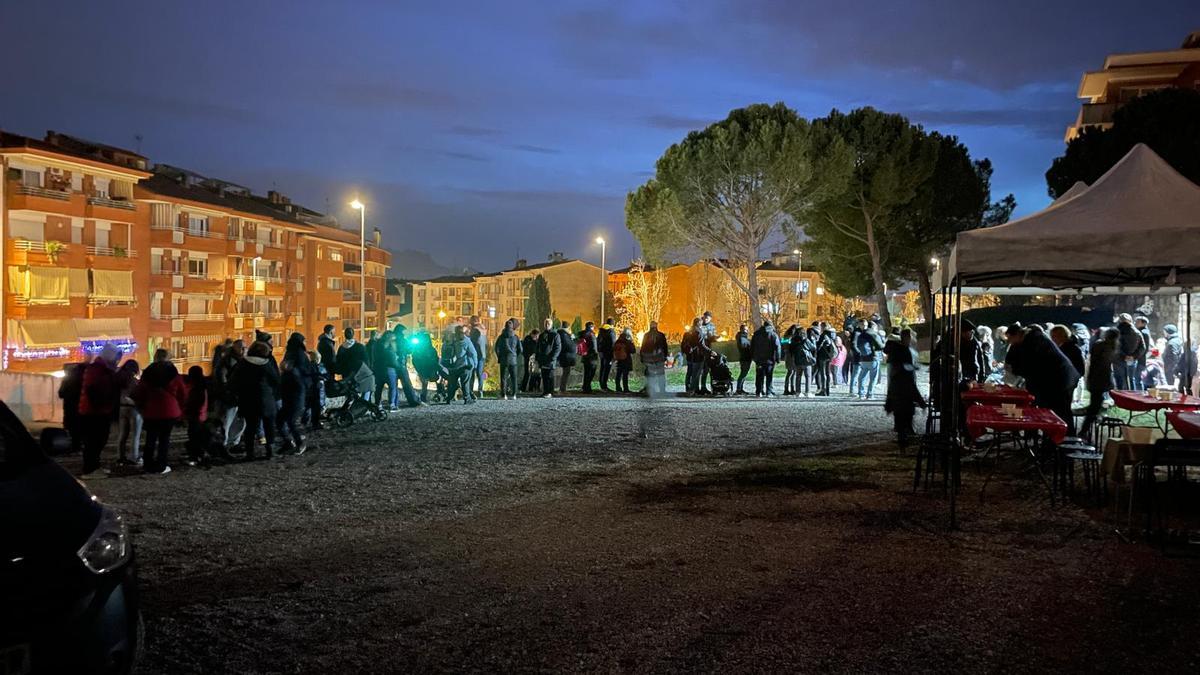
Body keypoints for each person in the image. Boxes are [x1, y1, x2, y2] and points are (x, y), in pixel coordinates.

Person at [1005, 325, 1080, 435]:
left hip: (1059, 380)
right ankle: (1053, 441)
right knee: (1054, 412)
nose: (1010, 342)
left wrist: (1016, 371)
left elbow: (1031, 366)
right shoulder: (1030, 340)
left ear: (1016, 335)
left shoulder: (1033, 341)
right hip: (1056, 379)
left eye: (1010, 339)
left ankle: (1065, 442)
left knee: (1058, 413)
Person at [134, 349, 184, 475]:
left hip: (151, 411)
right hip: (170, 411)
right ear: (168, 358)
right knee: (164, 439)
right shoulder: (173, 372)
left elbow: (139, 392)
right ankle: (162, 465)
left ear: (155, 357)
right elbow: (182, 392)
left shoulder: (148, 373)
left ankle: (148, 464)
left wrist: (142, 405)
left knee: (150, 439)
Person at [78, 346, 123, 478]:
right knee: (94, 441)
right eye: (116, 357)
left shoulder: (101, 368)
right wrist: (102, 404)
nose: (117, 361)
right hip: (94, 412)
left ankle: (94, 467)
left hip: (97, 410)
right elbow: (93, 390)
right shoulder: (98, 369)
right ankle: (90, 469)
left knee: (98, 441)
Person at [233, 341, 280, 460]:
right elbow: (276, 380)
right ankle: (270, 451)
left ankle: (250, 453)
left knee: (250, 427)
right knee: (269, 426)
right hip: (266, 400)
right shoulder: (266, 364)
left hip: (248, 400)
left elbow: (233, 382)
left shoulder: (243, 364)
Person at [883, 329, 925, 448]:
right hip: (903, 386)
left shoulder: (901, 350)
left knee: (902, 413)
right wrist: (912, 368)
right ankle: (904, 437)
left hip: (900, 387)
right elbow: (903, 369)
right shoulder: (902, 351)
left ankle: (904, 435)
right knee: (903, 413)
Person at [1080, 327, 1119, 442]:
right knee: (1095, 405)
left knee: (1096, 403)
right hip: (1100, 379)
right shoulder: (1109, 347)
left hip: (1096, 378)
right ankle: (1084, 430)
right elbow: (1104, 366)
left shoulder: (1100, 345)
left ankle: (1087, 427)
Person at [278, 333, 311, 454]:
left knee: (291, 420)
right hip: (290, 391)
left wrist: (290, 371)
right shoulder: (295, 354)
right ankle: (288, 442)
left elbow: (303, 373)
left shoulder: (297, 355)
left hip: (296, 392)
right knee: (281, 420)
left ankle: (299, 443)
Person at [115, 360, 143, 467]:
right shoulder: (133, 381)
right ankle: (134, 456)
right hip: (133, 409)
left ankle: (120, 457)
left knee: (122, 434)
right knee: (135, 435)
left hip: (122, 408)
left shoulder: (119, 379)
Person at [58, 360, 87, 457]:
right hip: (77, 408)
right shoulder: (80, 380)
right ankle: (77, 447)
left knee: (71, 428)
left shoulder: (66, 381)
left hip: (69, 408)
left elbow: (61, 394)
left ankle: (73, 447)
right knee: (77, 429)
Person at [441, 324, 477, 404]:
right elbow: (473, 353)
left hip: (452, 365)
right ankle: (467, 399)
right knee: (465, 383)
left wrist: (444, 364)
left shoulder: (449, 341)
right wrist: (475, 365)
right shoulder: (466, 340)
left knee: (452, 383)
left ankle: (449, 399)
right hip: (465, 365)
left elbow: (443, 352)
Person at [182, 365, 208, 465]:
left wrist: (186, 413)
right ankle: (198, 456)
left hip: (195, 416)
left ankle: (195, 457)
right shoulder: (202, 386)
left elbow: (193, 404)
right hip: (201, 416)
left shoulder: (196, 389)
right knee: (197, 437)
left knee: (194, 437)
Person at [392, 324, 422, 407]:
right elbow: (409, 351)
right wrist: (412, 346)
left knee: (393, 385)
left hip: (393, 364)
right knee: (406, 384)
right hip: (401, 364)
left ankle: (394, 402)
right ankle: (412, 400)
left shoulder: (392, 339)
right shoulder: (402, 340)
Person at [854, 321, 885, 400]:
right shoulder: (873, 334)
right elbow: (881, 346)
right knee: (873, 378)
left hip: (863, 358)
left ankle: (861, 394)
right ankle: (870, 395)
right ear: (873, 327)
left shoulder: (861, 335)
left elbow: (857, 345)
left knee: (862, 377)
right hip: (873, 358)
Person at [750, 320, 782, 397]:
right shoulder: (773, 335)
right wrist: (778, 358)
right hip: (770, 359)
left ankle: (759, 391)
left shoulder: (756, 334)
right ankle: (769, 391)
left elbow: (752, 346)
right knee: (769, 376)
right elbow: (777, 347)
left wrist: (753, 357)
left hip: (759, 359)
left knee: (759, 376)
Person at [494, 318, 522, 400]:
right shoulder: (516, 337)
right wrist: (515, 356)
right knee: (514, 378)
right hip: (513, 360)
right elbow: (520, 349)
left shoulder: (501, 337)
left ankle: (504, 395)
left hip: (504, 360)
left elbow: (497, 348)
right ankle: (514, 395)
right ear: (512, 327)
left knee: (503, 378)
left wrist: (499, 356)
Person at [411, 331, 443, 403]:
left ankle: (439, 393)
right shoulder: (419, 350)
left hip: (430, 368)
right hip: (423, 368)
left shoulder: (430, 349)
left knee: (435, 381)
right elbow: (415, 359)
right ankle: (424, 396)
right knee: (425, 383)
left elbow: (435, 358)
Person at [1115, 314, 1146, 391]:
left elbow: (1115, 346)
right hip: (1132, 360)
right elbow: (1143, 347)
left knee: (1120, 379)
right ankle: (1132, 397)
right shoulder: (1137, 332)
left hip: (1119, 360)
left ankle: (1120, 397)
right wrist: (1133, 356)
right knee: (1131, 379)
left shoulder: (1117, 332)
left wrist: (1124, 356)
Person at [639, 321, 669, 398]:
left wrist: (642, 357)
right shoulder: (661, 335)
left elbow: (643, 347)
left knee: (649, 374)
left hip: (649, 358)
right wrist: (665, 356)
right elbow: (665, 347)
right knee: (661, 374)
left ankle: (649, 389)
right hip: (659, 358)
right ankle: (662, 390)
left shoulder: (646, 335)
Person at [372, 331, 400, 410]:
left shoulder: (377, 345)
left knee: (379, 388)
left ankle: (378, 404)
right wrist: (398, 366)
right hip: (389, 369)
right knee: (392, 387)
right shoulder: (390, 347)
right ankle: (392, 405)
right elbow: (392, 360)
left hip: (378, 369)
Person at [536, 319, 561, 398]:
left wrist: (553, 357)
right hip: (543, 359)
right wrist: (538, 357)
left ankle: (550, 392)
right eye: (546, 323)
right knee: (544, 376)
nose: (547, 325)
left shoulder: (555, 335)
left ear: (551, 324)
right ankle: (545, 391)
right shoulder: (542, 335)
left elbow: (558, 347)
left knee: (550, 376)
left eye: (548, 323)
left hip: (550, 359)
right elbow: (538, 347)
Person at [681, 318, 704, 395]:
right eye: (701, 322)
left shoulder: (687, 332)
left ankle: (688, 388)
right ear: (698, 323)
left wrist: (686, 352)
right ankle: (694, 389)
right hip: (696, 356)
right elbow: (700, 344)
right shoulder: (698, 332)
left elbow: (683, 344)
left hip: (689, 356)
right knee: (696, 373)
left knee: (689, 372)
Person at [306, 349, 328, 429]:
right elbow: (317, 375)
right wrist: (322, 377)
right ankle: (315, 423)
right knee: (316, 406)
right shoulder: (315, 366)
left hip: (311, 389)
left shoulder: (309, 365)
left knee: (310, 405)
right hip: (316, 388)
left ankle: (307, 420)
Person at [793, 327, 817, 397]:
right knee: (808, 376)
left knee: (798, 376)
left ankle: (798, 392)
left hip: (797, 360)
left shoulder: (794, 340)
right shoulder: (805, 340)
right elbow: (813, 347)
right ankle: (807, 391)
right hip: (806, 360)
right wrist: (813, 340)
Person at [468, 315, 488, 400]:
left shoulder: (475, 331)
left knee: (472, 373)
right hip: (482, 354)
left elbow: (472, 343)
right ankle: (480, 392)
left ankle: (470, 392)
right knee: (479, 374)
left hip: (475, 354)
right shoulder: (483, 330)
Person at [814, 324, 837, 397]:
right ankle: (827, 390)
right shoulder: (832, 335)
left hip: (822, 356)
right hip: (829, 356)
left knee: (823, 373)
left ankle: (823, 390)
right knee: (827, 373)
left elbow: (819, 346)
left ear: (823, 327)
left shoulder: (824, 335)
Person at [698, 311, 717, 394]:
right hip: (701, 350)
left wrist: (714, 337)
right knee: (699, 369)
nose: (706, 319)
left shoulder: (712, 326)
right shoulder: (700, 324)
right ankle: (696, 387)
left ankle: (704, 386)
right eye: (705, 317)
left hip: (708, 349)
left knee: (707, 369)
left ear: (710, 318)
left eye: (708, 318)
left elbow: (713, 335)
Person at [578, 321, 599, 393]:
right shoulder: (591, 335)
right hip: (591, 357)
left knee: (586, 372)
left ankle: (585, 386)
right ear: (591, 327)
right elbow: (594, 346)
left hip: (585, 356)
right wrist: (596, 354)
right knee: (591, 373)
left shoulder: (582, 334)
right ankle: (588, 388)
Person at [556, 320, 577, 394]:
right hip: (566, 357)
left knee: (566, 373)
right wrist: (573, 339)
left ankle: (562, 389)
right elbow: (569, 345)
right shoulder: (564, 335)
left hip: (566, 356)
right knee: (566, 373)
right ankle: (562, 389)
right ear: (568, 327)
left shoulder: (563, 334)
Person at [613, 328, 635, 393]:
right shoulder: (627, 341)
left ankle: (618, 388)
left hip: (619, 359)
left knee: (618, 374)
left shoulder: (617, 341)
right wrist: (632, 342)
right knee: (625, 375)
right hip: (626, 359)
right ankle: (625, 388)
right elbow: (633, 350)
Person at [597, 317, 616, 392]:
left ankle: (601, 384)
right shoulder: (611, 331)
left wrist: (599, 351)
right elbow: (613, 343)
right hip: (608, 353)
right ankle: (604, 386)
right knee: (607, 369)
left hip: (602, 353)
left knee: (602, 368)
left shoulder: (601, 330)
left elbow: (598, 341)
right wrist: (614, 353)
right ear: (612, 324)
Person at [735, 323, 752, 395]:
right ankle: (739, 389)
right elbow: (744, 347)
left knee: (744, 373)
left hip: (745, 357)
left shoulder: (742, 337)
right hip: (745, 358)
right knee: (743, 373)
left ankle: (740, 388)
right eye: (745, 330)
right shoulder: (742, 338)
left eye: (747, 330)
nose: (747, 331)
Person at [521, 328, 540, 392]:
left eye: (537, 336)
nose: (535, 337)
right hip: (528, 358)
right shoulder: (528, 339)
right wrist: (527, 356)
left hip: (535, 359)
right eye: (535, 336)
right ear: (532, 334)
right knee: (527, 373)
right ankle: (523, 388)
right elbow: (524, 349)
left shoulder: (537, 340)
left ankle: (532, 388)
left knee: (535, 374)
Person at [782, 325, 799, 395]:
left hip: (791, 355)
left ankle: (792, 388)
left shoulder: (788, 337)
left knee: (793, 372)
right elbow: (785, 345)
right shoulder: (788, 337)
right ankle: (786, 389)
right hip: (790, 355)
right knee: (790, 372)